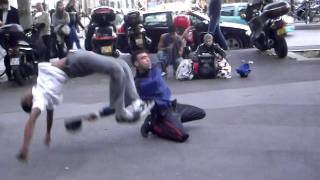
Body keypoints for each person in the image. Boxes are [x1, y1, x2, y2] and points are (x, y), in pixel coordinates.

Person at [17, 50, 150, 161]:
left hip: (77, 63)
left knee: (121, 64)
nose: (26, 92)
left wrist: (47, 134)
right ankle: (120, 112)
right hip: (75, 62)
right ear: (29, 101)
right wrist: (24, 146)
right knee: (117, 70)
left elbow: (50, 115)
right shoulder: (39, 99)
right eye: (24, 96)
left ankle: (133, 101)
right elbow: (32, 119)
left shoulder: (45, 97)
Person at [131, 50, 206, 142]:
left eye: (147, 57)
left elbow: (169, 56)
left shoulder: (156, 67)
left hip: (173, 106)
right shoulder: (139, 83)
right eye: (143, 58)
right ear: (136, 63)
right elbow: (153, 85)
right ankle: (154, 124)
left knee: (201, 113)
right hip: (162, 112)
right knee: (181, 136)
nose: (147, 59)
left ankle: (173, 120)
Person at [0, 0, 19, 81]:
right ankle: (9, 74)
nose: (2, 6)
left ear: (7, 3)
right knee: (7, 55)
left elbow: (17, 24)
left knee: (14, 54)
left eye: (3, 4)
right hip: (2, 37)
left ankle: (16, 73)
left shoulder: (14, 11)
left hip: (12, 36)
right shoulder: (0, 12)